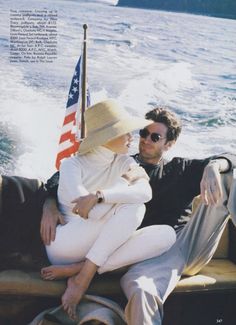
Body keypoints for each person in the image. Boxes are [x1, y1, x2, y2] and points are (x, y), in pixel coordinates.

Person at [41, 106, 236, 324]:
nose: (145, 140)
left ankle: (80, 269)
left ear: (169, 144)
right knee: (142, 288)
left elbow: (231, 157)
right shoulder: (123, 162)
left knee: (229, 174)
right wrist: (50, 205)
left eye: (155, 137)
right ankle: (84, 269)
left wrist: (212, 166)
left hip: (180, 243)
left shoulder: (180, 169)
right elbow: (64, 175)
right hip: (139, 248)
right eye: (143, 133)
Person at [41, 100, 176, 320]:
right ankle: (82, 279)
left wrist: (100, 196)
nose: (133, 138)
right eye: (126, 133)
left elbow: (146, 193)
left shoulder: (123, 161)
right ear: (108, 136)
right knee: (133, 209)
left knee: (167, 235)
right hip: (64, 243)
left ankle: (81, 270)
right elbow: (90, 213)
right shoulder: (71, 165)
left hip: (95, 243)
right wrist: (125, 186)